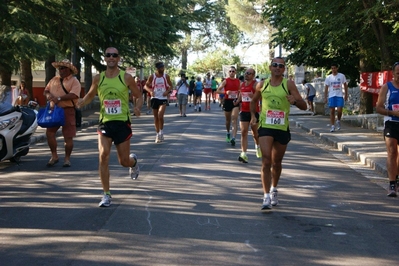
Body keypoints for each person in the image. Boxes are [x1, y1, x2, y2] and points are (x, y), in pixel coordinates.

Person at [77, 47, 142, 207]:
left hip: (122, 123)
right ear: (105, 58)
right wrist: (82, 101)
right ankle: (106, 194)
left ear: (119, 58)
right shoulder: (98, 78)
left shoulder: (126, 77)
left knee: (123, 161)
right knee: (103, 156)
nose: (111, 57)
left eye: (114, 55)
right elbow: (91, 94)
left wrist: (138, 107)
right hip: (105, 122)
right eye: (108, 55)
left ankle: (133, 163)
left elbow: (138, 95)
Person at [250, 57, 307, 210]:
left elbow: (304, 106)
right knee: (266, 159)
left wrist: (294, 101)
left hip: (281, 127)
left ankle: (274, 189)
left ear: (284, 69)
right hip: (265, 126)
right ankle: (266, 196)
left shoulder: (288, 84)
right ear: (270, 67)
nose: (277, 68)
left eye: (280, 66)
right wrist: (253, 116)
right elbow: (253, 101)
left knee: (276, 163)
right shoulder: (262, 84)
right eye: (275, 65)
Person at [43, 59, 81, 168]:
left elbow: (74, 95)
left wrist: (58, 98)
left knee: (68, 137)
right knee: (49, 133)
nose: (61, 70)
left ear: (69, 70)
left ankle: (67, 159)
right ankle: (54, 156)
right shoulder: (54, 79)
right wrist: (48, 95)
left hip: (68, 110)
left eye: (63, 68)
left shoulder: (74, 81)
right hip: (54, 110)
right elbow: (46, 90)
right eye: (60, 68)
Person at [375, 61, 399, 197]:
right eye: (398, 73)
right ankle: (391, 183)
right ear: (393, 73)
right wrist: (393, 113)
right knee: (392, 152)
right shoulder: (387, 87)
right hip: (391, 123)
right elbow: (379, 107)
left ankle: (397, 180)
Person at [144, 61, 173, 143]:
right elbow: (145, 86)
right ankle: (157, 134)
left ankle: (161, 132)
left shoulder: (166, 76)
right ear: (157, 68)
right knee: (156, 117)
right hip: (154, 98)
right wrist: (150, 91)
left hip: (163, 98)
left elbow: (171, 86)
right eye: (161, 68)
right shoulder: (152, 76)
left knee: (160, 115)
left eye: (163, 67)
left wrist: (167, 92)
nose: (163, 69)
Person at [237, 68, 260, 163]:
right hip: (244, 111)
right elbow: (241, 94)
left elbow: (262, 97)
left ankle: (258, 147)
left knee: (255, 133)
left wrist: (253, 97)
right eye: (246, 73)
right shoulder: (242, 84)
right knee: (243, 132)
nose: (247, 75)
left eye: (249, 73)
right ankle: (244, 154)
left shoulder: (255, 85)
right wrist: (237, 100)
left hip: (254, 112)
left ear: (253, 75)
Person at [217, 66, 240, 146]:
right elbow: (218, 90)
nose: (231, 73)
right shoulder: (225, 81)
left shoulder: (238, 81)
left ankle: (234, 138)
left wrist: (239, 98)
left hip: (235, 102)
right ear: (228, 72)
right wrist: (226, 92)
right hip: (227, 101)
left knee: (234, 119)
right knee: (228, 120)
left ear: (235, 72)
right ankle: (228, 133)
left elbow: (240, 91)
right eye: (230, 71)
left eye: (233, 71)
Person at [324, 63, 348, 132]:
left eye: (334, 68)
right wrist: (325, 97)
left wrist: (346, 94)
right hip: (331, 95)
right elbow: (326, 88)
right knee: (332, 111)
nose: (333, 69)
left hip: (339, 95)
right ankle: (332, 126)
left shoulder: (341, 76)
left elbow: (345, 85)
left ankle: (338, 120)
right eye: (332, 68)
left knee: (339, 110)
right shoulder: (328, 77)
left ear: (337, 68)